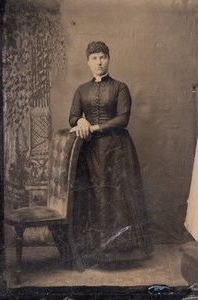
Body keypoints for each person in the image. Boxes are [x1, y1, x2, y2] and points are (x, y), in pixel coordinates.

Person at [69, 41, 152, 265]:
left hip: (117, 150)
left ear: (109, 59)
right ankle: (95, 254)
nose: (99, 62)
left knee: (116, 196)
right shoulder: (81, 89)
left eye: (103, 57)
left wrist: (94, 127)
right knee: (95, 196)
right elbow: (72, 117)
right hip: (90, 153)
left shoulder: (120, 87)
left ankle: (122, 254)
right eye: (94, 57)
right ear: (88, 62)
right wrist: (81, 120)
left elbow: (123, 119)